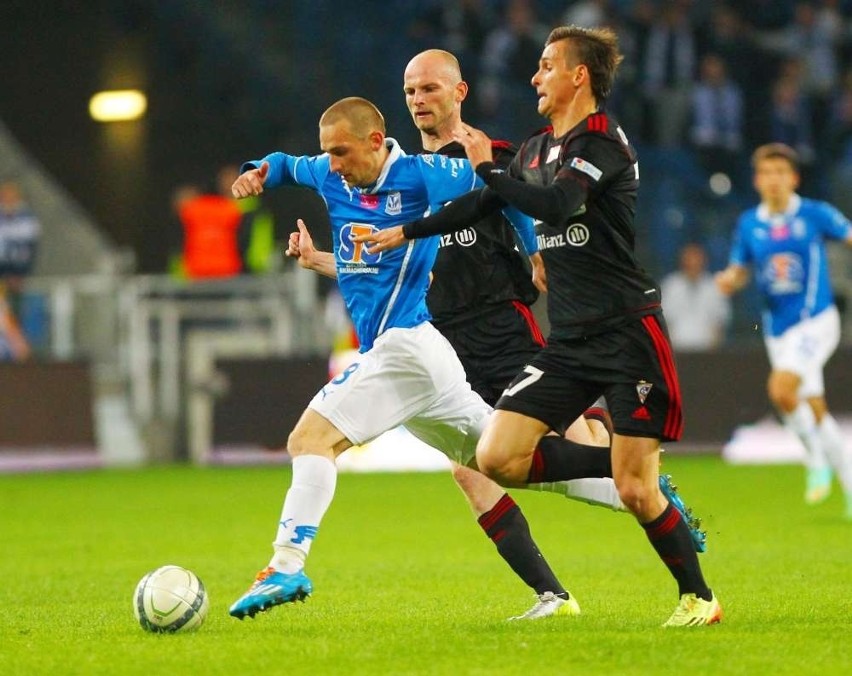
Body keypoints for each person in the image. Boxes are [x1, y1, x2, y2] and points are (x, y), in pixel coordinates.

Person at [358, 26, 721, 627]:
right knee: (493, 457)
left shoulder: (603, 142)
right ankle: (615, 486)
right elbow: (481, 204)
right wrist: (407, 232)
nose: (535, 76)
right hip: (570, 342)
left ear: (579, 75)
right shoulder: (532, 150)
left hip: (626, 331)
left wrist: (486, 170)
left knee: (636, 491)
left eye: (547, 66)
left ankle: (699, 598)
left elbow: (553, 205)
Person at [227, 96, 625, 622]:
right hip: (435, 348)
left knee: (309, 440)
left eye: (342, 152)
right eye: (328, 154)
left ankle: (285, 564)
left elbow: (502, 191)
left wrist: (537, 246)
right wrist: (257, 173)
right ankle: (635, 490)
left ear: (375, 141)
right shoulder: (330, 173)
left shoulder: (422, 176)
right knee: (495, 465)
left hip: (418, 345)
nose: (333, 164)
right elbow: (285, 165)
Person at [716, 142, 852, 516]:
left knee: (781, 388)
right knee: (811, 405)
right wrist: (729, 280)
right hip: (777, 330)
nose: (774, 180)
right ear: (758, 180)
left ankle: (815, 460)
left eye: (781, 173)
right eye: (767, 173)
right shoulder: (750, 223)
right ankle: (848, 480)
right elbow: (740, 269)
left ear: (793, 178)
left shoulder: (814, 213)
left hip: (816, 321)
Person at [661, 242, 731, 351]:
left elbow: (719, 325)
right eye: (689, 260)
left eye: (696, 260)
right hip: (676, 351)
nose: (693, 264)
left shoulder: (714, 287)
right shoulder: (670, 286)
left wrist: (713, 354)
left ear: (703, 261)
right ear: (683, 262)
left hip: (707, 352)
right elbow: (665, 324)